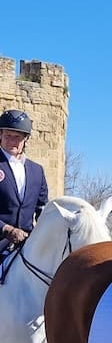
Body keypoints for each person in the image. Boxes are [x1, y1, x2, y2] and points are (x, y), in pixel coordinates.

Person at [0, 109, 48, 254]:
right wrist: (6, 229)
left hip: (28, 242)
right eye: (8, 135)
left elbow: (42, 208)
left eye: (17, 137)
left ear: (25, 139)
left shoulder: (37, 171)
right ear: (0, 134)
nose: (12, 141)